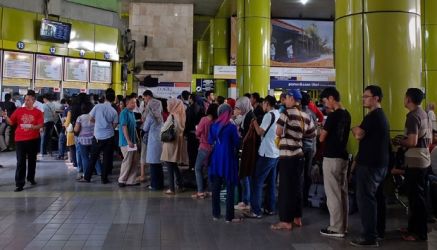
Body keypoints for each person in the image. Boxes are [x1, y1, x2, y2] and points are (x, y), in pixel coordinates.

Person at [350, 85, 390, 247]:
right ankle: (379, 232)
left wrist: (354, 127)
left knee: (366, 199)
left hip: (369, 165)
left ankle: (369, 237)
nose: (363, 99)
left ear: (376, 98)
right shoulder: (381, 116)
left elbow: (359, 134)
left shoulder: (373, 116)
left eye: (366, 96)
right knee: (377, 198)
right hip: (380, 164)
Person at [271, 89, 315, 230]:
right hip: (300, 156)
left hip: (287, 156)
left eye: (287, 98)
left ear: (292, 99)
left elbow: (278, 131)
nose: (285, 100)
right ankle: (297, 218)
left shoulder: (286, 113)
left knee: (285, 188)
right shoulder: (305, 115)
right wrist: (297, 137)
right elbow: (312, 134)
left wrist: (285, 136)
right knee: (297, 187)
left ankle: (285, 221)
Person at [393, 88, 431, 242]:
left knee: (416, 199)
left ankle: (418, 233)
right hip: (423, 160)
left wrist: (399, 141)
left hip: (415, 162)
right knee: (417, 198)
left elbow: (412, 142)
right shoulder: (423, 114)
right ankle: (413, 228)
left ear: (408, 99)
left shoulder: (413, 116)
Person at [318, 87, 351, 238]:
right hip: (343, 157)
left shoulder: (333, 116)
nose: (325, 104)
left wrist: (320, 130)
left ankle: (336, 228)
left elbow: (322, 138)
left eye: (325, 101)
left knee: (333, 194)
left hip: (331, 157)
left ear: (331, 98)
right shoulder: (346, 114)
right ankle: (343, 226)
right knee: (342, 193)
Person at [2, 90, 44, 192]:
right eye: (25, 100)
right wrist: (6, 117)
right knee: (20, 161)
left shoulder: (38, 112)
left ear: (33, 101)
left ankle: (30, 178)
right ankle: (19, 184)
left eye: (29, 100)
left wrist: (33, 127)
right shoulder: (19, 110)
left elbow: (41, 125)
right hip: (20, 139)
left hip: (33, 139)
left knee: (32, 160)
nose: (26, 102)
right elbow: (11, 122)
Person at [248, 95, 280, 218]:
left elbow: (260, 132)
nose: (262, 106)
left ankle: (256, 210)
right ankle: (270, 208)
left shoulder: (269, 115)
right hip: (276, 153)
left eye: (263, 104)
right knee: (271, 182)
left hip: (267, 153)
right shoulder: (278, 113)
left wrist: (255, 122)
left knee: (257, 181)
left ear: (267, 103)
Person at [208, 104, 241, 222]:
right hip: (228, 159)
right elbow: (237, 143)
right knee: (230, 187)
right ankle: (229, 217)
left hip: (216, 158)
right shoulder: (231, 127)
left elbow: (210, 140)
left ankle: (215, 214)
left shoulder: (214, 126)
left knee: (216, 187)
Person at [80, 88, 118, 184]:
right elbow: (114, 125)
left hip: (97, 136)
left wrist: (98, 123)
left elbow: (90, 118)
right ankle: (104, 179)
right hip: (109, 137)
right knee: (106, 158)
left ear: (105, 97)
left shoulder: (97, 107)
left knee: (93, 157)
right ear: (114, 98)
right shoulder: (114, 111)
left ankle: (87, 177)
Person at [161, 98, 188, 194]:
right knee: (174, 164)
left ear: (173, 105)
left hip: (170, 143)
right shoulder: (181, 115)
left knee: (169, 165)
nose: (167, 106)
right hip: (177, 142)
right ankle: (180, 186)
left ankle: (171, 188)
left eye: (169, 104)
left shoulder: (172, 116)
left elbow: (163, 129)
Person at [192, 103, 218, 199]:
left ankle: (200, 192)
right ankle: (211, 190)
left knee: (198, 168)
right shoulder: (217, 121)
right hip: (213, 148)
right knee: (209, 169)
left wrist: (198, 134)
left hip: (203, 147)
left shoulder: (204, 120)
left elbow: (198, 132)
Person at [118, 95, 140, 187]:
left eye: (135, 102)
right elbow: (124, 127)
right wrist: (129, 140)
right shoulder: (124, 113)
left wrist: (137, 139)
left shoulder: (132, 113)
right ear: (127, 103)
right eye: (132, 102)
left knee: (134, 161)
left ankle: (131, 180)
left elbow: (134, 128)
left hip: (133, 141)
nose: (134, 104)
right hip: (126, 142)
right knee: (127, 161)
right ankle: (122, 180)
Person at [143, 99, 164, 190]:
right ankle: (160, 184)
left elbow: (145, 129)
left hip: (152, 142)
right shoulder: (160, 116)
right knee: (159, 165)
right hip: (160, 142)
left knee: (153, 165)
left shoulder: (150, 117)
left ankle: (154, 185)